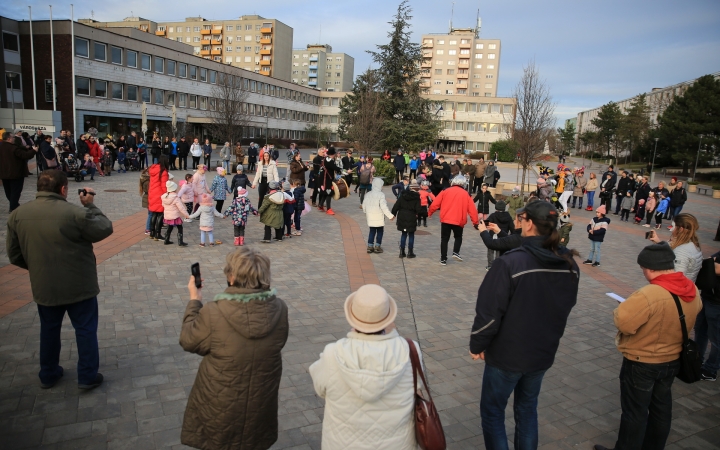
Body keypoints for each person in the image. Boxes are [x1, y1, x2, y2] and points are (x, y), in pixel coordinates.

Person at [470, 200, 579, 450]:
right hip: (542, 351)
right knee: (527, 409)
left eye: (521, 219)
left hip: (508, 354)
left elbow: (488, 312)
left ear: (529, 224)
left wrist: (477, 344)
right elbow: (566, 305)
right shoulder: (568, 262)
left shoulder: (510, 262)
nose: (518, 222)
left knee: (493, 412)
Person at [6, 170, 113, 389]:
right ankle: (87, 376)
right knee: (85, 329)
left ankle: (48, 373)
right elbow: (104, 227)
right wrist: (90, 204)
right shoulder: (75, 213)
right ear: (63, 189)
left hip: (45, 285)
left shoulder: (17, 215)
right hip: (79, 285)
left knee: (49, 329)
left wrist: (38, 268)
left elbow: (15, 255)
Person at [593, 242, 701, 450]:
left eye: (643, 268)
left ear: (650, 268)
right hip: (672, 358)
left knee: (635, 412)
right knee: (661, 409)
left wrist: (625, 308)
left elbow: (624, 323)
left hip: (643, 361)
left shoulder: (650, 293)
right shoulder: (692, 288)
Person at [180, 247, 288, 450]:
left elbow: (188, 340)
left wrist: (195, 301)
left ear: (231, 277)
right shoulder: (280, 308)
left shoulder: (214, 311)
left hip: (220, 398)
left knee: (220, 440)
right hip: (261, 397)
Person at [309, 284, 419, 450]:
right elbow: (416, 389)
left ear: (353, 316)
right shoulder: (411, 351)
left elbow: (320, 389)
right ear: (387, 317)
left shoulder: (333, 354)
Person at [428, 175, 479, 265]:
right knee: (458, 237)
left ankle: (443, 259)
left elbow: (435, 203)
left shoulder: (445, 191)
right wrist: (475, 223)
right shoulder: (466, 194)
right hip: (459, 220)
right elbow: (472, 210)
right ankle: (456, 252)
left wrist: (430, 213)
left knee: (444, 239)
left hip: (446, 219)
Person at [648, 213, 703, 281]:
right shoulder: (693, 244)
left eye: (673, 227)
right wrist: (658, 242)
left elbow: (677, 277)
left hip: (677, 289)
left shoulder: (682, 251)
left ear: (681, 229)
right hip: (687, 286)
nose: (671, 230)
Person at [695, 250, 720, 382]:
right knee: (700, 330)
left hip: (717, 302)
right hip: (708, 296)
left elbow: (715, 268)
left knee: (716, 339)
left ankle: (711, 370)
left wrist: (711, 264)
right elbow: (710, 262)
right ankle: (697, 360)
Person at [1, 131, 37, 212]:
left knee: (8, 190)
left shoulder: (2, 147)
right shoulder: (13, 148)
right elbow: (25, 155)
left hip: (4, 173)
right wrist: (34, 150)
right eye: (13, 137)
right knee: (15, 191)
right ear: (9, 139)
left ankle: (13, 204)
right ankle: (13, 207)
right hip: (16, 173)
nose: (14, 139)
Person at [363, 177, 394, 253]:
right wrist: (390, 216)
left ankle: (370, 246)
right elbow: (384, 207)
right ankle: (377, 246)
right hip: (379, 216)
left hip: (370, 216)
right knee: (380, 231)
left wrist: (366, 212)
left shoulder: (368, 194)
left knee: (372, 231)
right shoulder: (381, 195)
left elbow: (364, 205)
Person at [392, 183, 421, 258]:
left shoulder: (402, 196)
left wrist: (393, 214)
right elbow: (418, 209)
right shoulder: (417, 198)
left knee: (403, 234)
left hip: (402, 216)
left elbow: (396, 206)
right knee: (411, 234)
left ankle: (402, 252)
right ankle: (410, 252)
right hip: (411, 217)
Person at [161, 180, 191, 246]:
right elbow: (181, 208)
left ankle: (166, 240)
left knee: (170, 227)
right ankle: (180, 242)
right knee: (180, 227)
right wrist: (186, 215)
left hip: (168, 215)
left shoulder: (164, 197)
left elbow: (163, 205)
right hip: (175, 216)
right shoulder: (176, 198)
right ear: (174, 189)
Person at [148, 156, 171, 241]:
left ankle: (152, 232)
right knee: (160, 214)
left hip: (152, 193)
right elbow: (164, 185)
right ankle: (158, 233)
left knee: (154, 213)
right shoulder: (163, 171)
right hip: (160, 194)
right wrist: (167, 194)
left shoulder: (153, 169)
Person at [313, 147, 340, 215]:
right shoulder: (329, 161)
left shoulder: (325, 159)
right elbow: (335, 168)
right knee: (329, 193)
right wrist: (345, 171)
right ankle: (328, 209)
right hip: (326, 179)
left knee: (325, 192)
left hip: (323, 179)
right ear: (333, 154)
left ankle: (321, 205)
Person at [139, 168, 152, 234]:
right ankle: (148, 228)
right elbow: (150, 190)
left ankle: (149, 227)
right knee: (151, 214)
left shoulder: (145, 179)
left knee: (150, 213)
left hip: (147, 198)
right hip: (148, 198)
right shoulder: (147, 181)